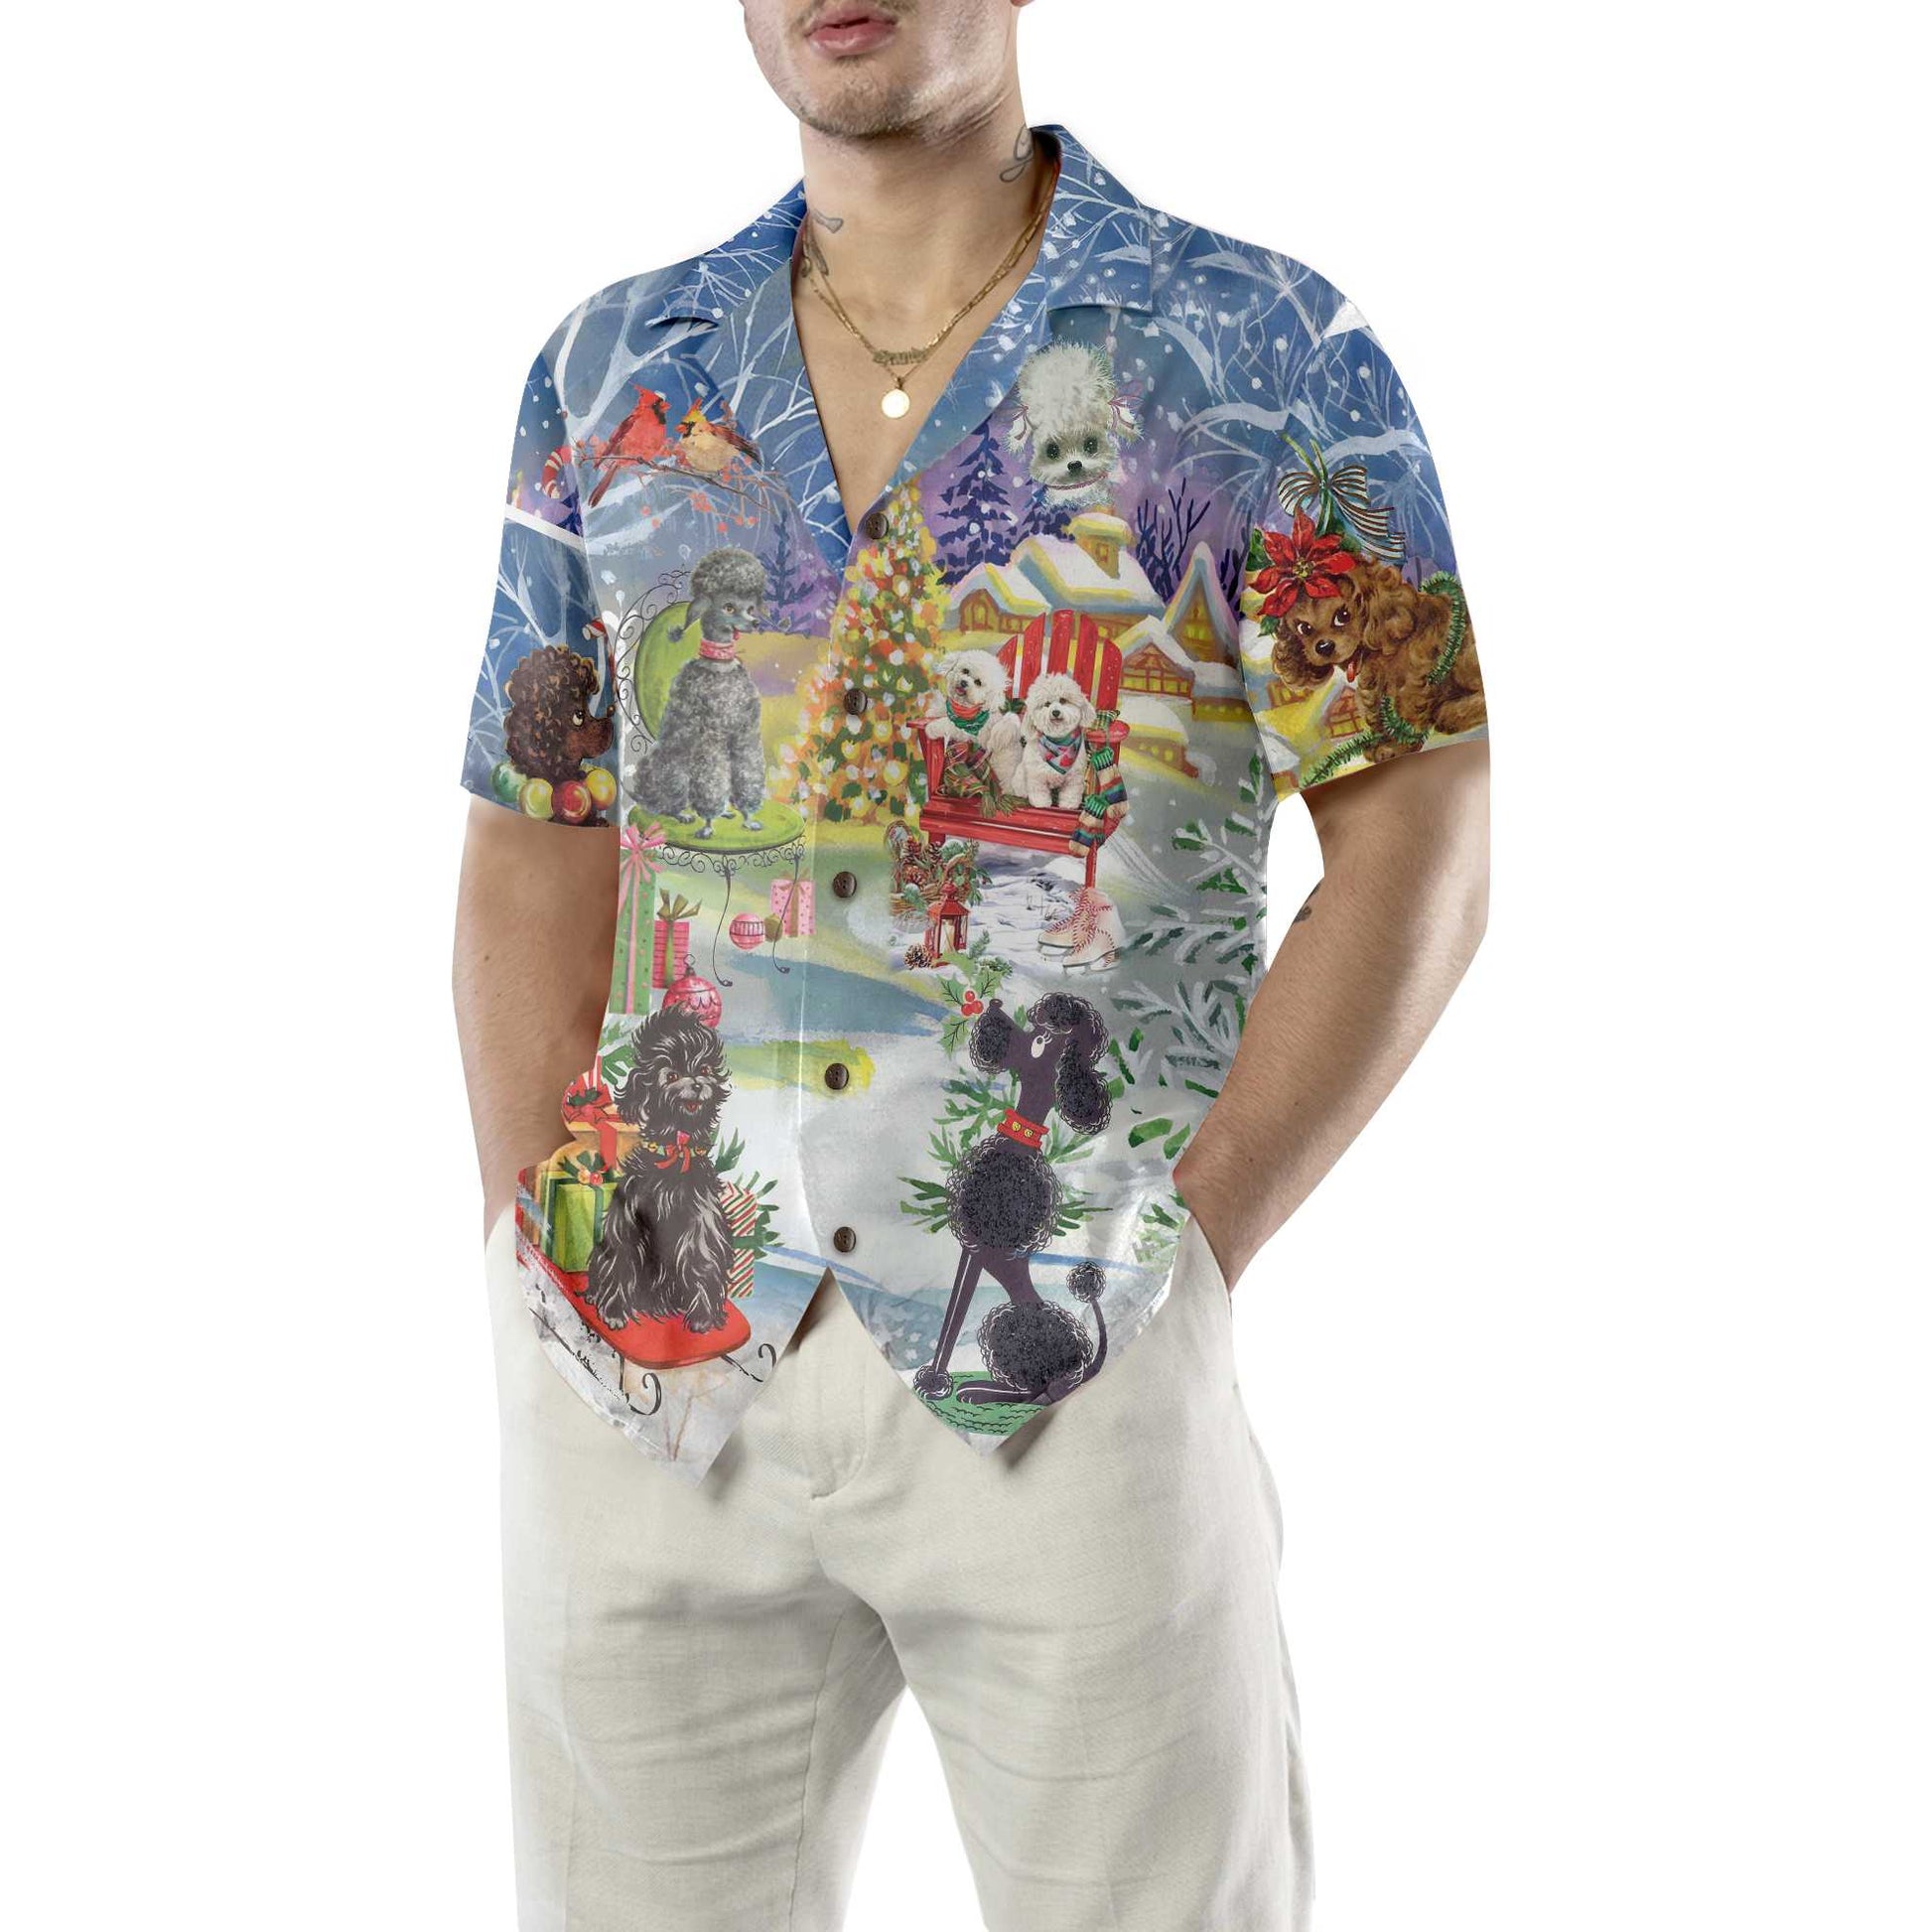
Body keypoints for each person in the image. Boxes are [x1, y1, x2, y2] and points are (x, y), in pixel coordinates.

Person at [453, 3, 1488, 1926]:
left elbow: (1419, 818)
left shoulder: (1262, 348)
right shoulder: (611, 370)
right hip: (650, 1364)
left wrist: (1194, 1238)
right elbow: (537, 830)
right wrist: (538, 1232)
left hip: (1068, 1349)